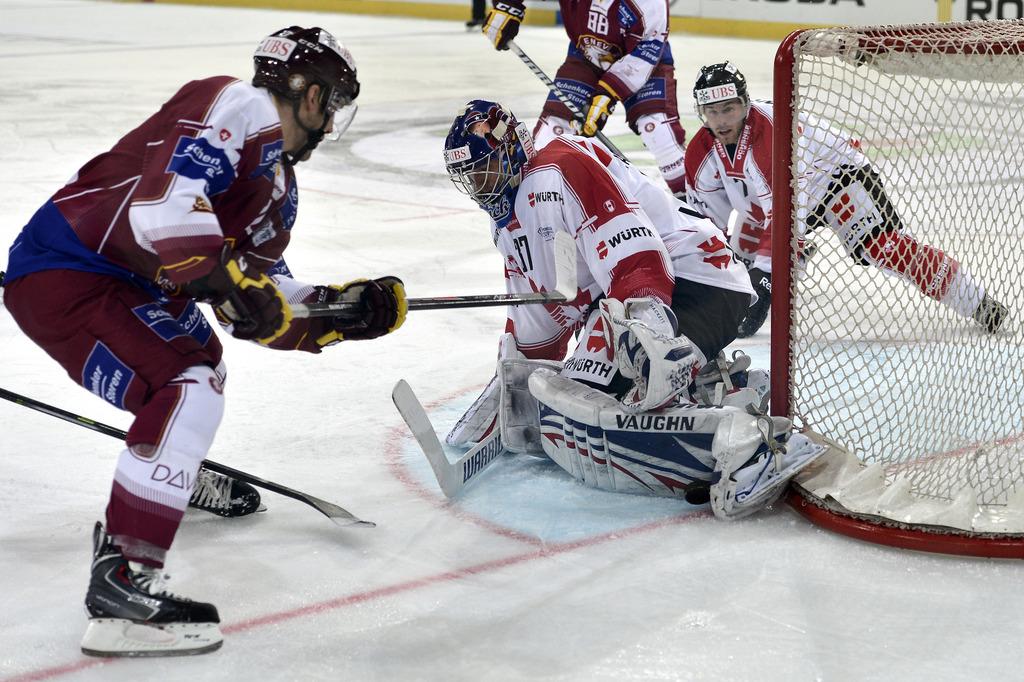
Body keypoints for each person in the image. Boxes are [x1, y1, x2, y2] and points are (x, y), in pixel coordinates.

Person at [2, 26, 406, 657]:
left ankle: (171, 471)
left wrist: (341, 310)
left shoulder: (278, 188)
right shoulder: (238, 105)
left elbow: (263, 296)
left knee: (199, 364)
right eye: (334, 102)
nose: (332, 121)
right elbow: (162, 212)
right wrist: (229, 282)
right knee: (187, 382)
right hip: (69, 271)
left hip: (127, 283)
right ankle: (125, 582)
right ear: (310, 96)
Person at [441, 99, 824, 520]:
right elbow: (541, 332)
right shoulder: (508, 223)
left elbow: (640, 259)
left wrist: (648, 339)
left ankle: (756, 445)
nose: (482, 187)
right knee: (565, 408)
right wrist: (509, 396)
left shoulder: (557, 167)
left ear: (512, 147)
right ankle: (719, 387)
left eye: (486, 170)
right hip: (639, 299)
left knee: (591, 415)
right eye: (471, 178)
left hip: (698, 280)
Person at [684, 61, 1008, 337]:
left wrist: (766, 279)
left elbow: (787, 213)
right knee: (738, 259)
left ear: (745, 104)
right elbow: (706, 225)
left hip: (836, 178)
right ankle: (794, 253)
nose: (722, 120)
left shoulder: (770, 134)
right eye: (712, 111)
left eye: (730, 108)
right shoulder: (700, 155)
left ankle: (976, 301)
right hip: (777, 204)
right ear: (701, 113)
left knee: (883, 248)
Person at [481, 0, 689, 197]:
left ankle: (696, 205)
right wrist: (508, 6)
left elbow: (647, 49)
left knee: (659, 132)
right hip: (586, 57)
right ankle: (541, 206)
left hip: (642, 62)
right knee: (551, 135)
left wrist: (608, 93)